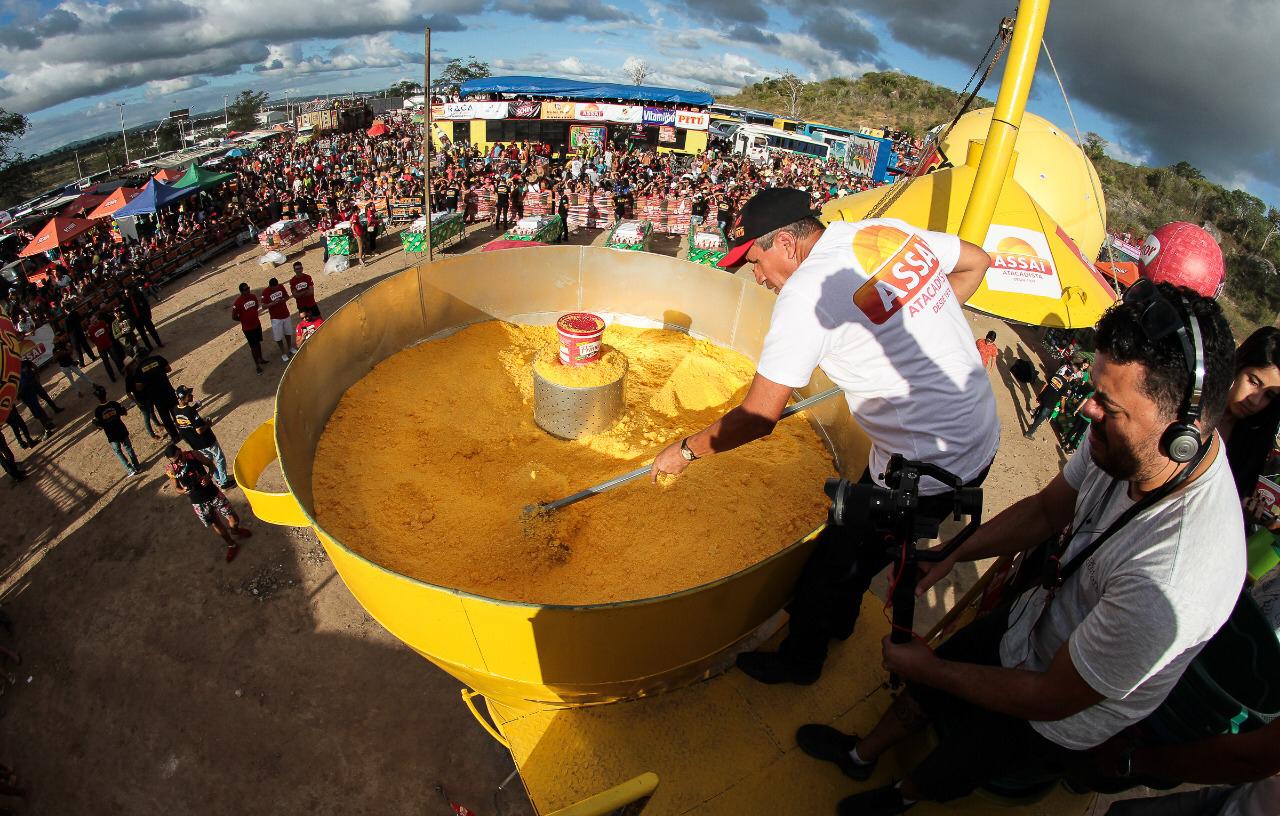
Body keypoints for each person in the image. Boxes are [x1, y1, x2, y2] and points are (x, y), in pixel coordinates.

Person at [798, 281, 1245, 816]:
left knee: (960, 760)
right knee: (930, 689)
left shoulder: (1174, 578)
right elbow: (1046, 511)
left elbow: (1050, 697)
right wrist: (952, 554)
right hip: (1032, 620)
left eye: (1107, 406)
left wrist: (927, 667)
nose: (1086, 412)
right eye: (1094, 392)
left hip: (1057, 711)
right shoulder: (1124, 439)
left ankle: (903, 796)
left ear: (1182, 434)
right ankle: (861, 754)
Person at [650, 188, 1001, 684]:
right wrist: (915, 333)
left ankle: (802, 662)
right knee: (862, 554)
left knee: (828, 566)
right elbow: (977, 261)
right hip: (979, 433)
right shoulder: (883, 233)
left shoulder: (806, 294)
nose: (757, 276)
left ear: (786, 244)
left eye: (756, 261)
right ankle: (842, 620)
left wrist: (685, 451)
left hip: (926, 467)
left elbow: (759, 416)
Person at [165, 444, 251, 562]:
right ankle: (231, 545)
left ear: (180, 450)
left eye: (179, 457)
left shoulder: (193, 455)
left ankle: (235, 530)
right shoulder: (171, 469)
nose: (179, 461)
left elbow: (211, 465)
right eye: (175, 461)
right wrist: (183, 491)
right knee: (216, 524)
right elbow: (176, 488)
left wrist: (208, 476)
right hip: (198, 502)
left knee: (233, 518)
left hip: (213, 494)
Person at [173, 386, 232, 489]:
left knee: (208, 461)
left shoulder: (176, 410)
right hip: (207, 441)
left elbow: (185, 418)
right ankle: (224, 482)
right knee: (219, 458)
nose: (191, 395)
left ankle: (218, 480)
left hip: (196, 444)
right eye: (189, 395)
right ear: (183, 398)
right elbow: (199, 430)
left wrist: (195, 406)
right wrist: (208, 424)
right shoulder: (190, 411)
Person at [91, 385, 141, 477]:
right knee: (129, 448)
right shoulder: (114, 404)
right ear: (105, 394)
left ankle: (130, 469)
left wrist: (96, 423)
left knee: (118, 452)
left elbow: (99, 425)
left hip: (112, 435)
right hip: (121, 430)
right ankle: (137, 466)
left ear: (97, 398)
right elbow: (124, 412)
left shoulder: (98, 411)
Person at [1024, 358, 1079, 440]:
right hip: (1050, 404)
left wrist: (1040, 395)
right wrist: (1062, 408)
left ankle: (1032, 427)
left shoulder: (1055, 376)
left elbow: (1045, 385)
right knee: (1041, 418)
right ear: (1070, 376)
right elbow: (1063, 399)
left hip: (1044, 398)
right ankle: (1029, 433)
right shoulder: (1066, 386)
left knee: (1039, 414)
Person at [132, 349, 180, 441]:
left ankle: (175, 436)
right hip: (168, 391)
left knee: (165, 418)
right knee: (176, 413)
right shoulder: (158, 359)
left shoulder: (139, 369)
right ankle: (184, 430)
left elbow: (139, 387)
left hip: (156, 397)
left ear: (138, 358)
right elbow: (168, 369)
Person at [231, 282, 269, 374]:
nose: (248, 290)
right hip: (248, 329)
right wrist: (243, 320)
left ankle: (260, 358)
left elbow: (256, 307)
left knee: (258, 343)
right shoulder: (238, 302)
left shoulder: (253, 297)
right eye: (245, 289)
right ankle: (257, 365)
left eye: (248, 288)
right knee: (253, 347)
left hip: (257, 324)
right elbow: (234, 316)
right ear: (241, 291)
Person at [17, 360, 57, 436]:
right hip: (29, 391)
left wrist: (18, 394)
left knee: (36, 410)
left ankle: (47, 428)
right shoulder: (17, 368)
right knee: (37, 408)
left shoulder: (16, 370)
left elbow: (24, 383)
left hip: (27, 393)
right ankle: (48, 423)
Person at [261, 277, 295, 363]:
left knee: (288, 333)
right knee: (278, 336)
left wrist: (283, 299)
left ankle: (290, 348)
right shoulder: (265, 292)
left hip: (285, 314)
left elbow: (287, 296)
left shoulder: (281, 286)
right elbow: (263, 306)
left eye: (277, 287)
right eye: (274, 288)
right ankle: (283, 353)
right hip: (275, 318)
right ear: (271, 286)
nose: (276, 289)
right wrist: (273, 303)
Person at [86, 311, 122, 382]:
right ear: (90, 322)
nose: (95, 321)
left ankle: (121, 370)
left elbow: (108, 330)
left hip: (109, 344)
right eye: (93, 320)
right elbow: (92, 339)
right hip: (101, 348)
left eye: (95, 319)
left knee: (115, 358)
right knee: (106, 363)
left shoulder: (102, 322)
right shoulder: (90, 330)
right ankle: (112, 377)